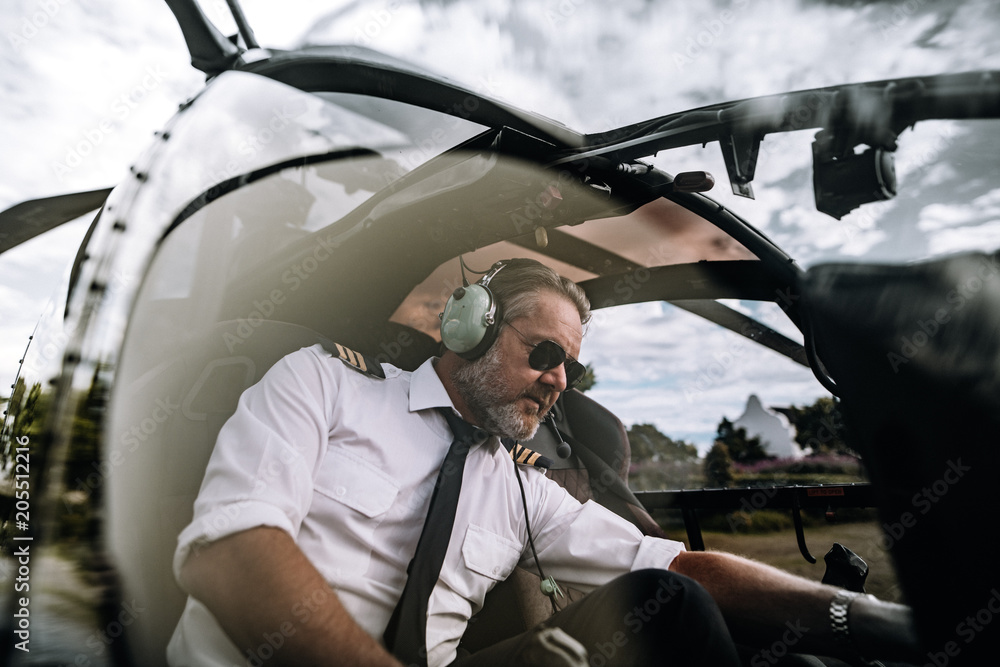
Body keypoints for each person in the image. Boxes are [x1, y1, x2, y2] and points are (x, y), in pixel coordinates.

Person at [168, 258, 920, 667]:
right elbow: (232, 551)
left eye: (574, 368)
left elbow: (680, 568)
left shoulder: (522, 484)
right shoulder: (323, 384)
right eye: (545, 352)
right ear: (468, 329)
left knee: (669, 605)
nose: (560, 378)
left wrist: (878, 620)